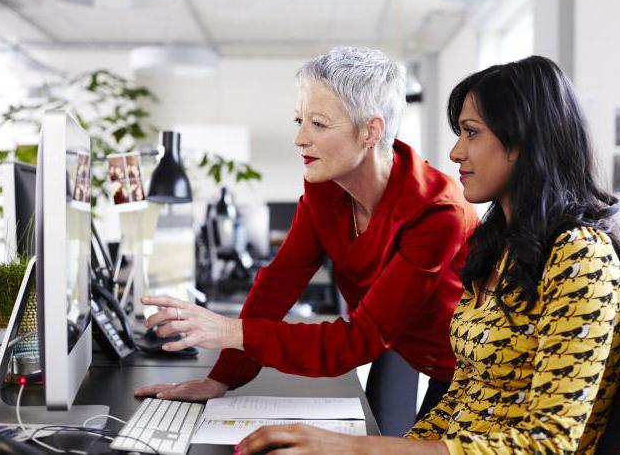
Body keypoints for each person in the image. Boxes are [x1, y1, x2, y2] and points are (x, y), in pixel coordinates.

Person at [233, 56, 620, 455]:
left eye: (471, 133)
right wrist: (387, 448)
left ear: (523, 142)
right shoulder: (500, 249)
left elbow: (546, 444)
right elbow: (460, 400)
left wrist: (362, 450)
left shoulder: (580, 257)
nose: (456, 152)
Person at [135, 46, 478, 420]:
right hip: (398, 340)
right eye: (299, 120)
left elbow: (358, 340)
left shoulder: (438, 212)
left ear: (370, 130)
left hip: (468, 368)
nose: (299, 138)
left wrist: (231, 331)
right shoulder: (326, 188)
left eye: (317, 123)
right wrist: (222, 379)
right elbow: (279, 282)